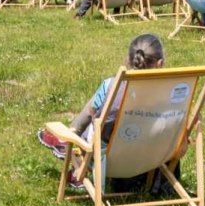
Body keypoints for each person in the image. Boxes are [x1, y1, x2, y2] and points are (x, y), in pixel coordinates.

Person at [37, 33, 166, 167]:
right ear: (160, 63)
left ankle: (71, 144)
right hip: (150, 156)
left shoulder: (112, 86)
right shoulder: (172, 93)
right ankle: (71, 144)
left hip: (107, 158)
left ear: (128, 59)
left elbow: (92, 112)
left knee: (99, 106)